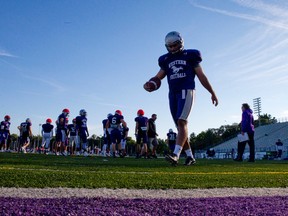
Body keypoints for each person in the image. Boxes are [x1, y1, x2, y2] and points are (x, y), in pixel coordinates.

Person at [144, 31, 218, 166]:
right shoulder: (165, 59)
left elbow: (201, 76)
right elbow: (158, 76)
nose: (172, 48)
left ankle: (176, 154)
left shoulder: (191, 55)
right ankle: (190, 156)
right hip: (172, 94)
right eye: (170, 46)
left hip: (187, 90)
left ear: (181, 42)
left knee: (182, 122)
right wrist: (150, 84)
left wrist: (212, 92)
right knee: (179, 127)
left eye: (175, 45)